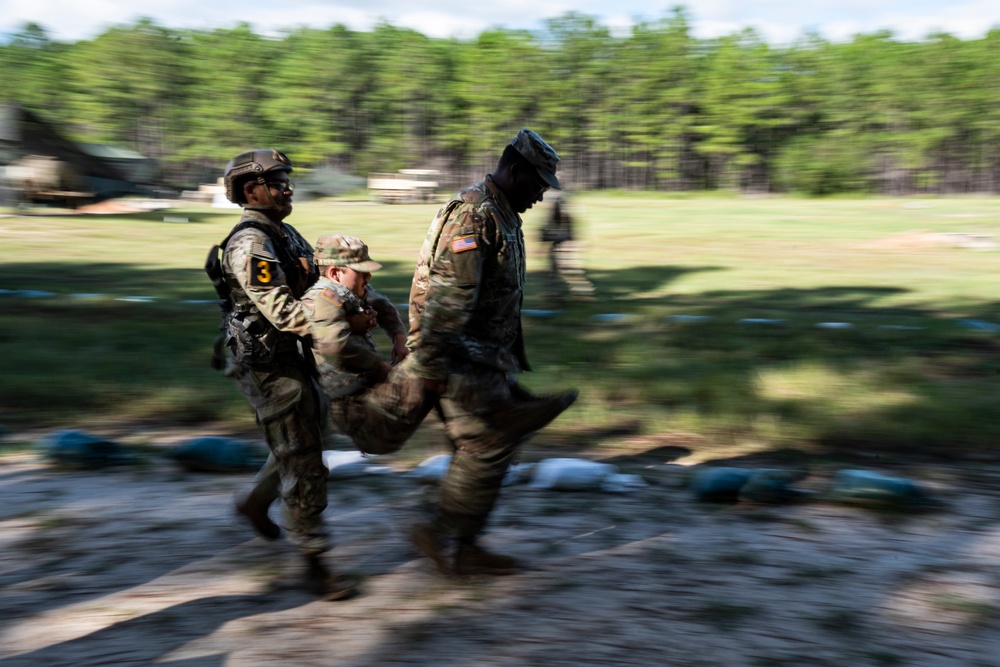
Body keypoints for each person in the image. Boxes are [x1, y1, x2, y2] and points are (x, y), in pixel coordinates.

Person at [401, 128, 579, 576]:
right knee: (489, 443)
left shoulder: (499, 212)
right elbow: (449, 300)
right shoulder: (474, 216)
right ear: (514, 169)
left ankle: (455, 539)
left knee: (478, 447)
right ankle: (447, 537)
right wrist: (432, 366)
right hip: (458, 357)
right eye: (537, 183)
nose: (541, 194)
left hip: (479, 356)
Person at [204, 148, 355, 601]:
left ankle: (255, 502)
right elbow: (284, 312)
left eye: (287, 180)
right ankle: (315, 563)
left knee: (306, 434)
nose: (288, 188)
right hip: (268, 364)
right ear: (252, 191)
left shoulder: (283, 233)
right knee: (306, 458)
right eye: (277, 181)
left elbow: (317, 286)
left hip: (290, 355)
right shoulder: (251, 244)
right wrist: (341, 328)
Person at [301, 234, 435, 454]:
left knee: (436, 366)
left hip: (372, 393)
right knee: (434, 368)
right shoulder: (324, 299)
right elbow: (336, 347)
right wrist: (381, 368)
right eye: (361, 272)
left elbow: (382, 305)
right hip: (358, 408)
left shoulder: (348, 291)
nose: (369, 276)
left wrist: (399, 337)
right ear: (335, 273)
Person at [539, 191, 594, 304]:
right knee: (555, 273)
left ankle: (582, 293)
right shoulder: (556, 217)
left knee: (567, 272)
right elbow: (547, 233)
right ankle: (554, 294)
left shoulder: (563, 217)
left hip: (563, 247)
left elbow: (567, 234)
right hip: (558, 247)